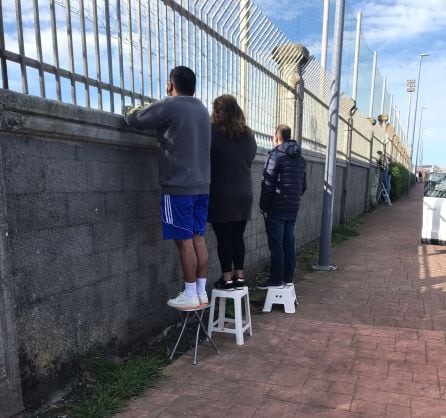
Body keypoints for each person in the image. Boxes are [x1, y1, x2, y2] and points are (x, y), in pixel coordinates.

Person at [124, 66, 211, 310]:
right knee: (198, 238)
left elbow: (136, 118)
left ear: (171, 85)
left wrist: (127, 110)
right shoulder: (203, 110)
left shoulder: (171, 105)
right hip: (202, 186)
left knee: (183, 241)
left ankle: (190, 293)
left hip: (179, 186)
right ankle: (201, 292)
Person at [208, 95, 257, 291]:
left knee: (223, 238)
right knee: (238, 236)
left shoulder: (211, 133)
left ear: (217, 111)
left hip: (220, 193)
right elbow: (251, 157)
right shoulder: (248, 135)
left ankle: (226, 278)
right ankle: (240, 277)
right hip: (243, 193)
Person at [258, 125, 306, 289]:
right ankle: (288, 278)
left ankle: (276, 280)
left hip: (276, 209)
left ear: (277, 137)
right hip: (293, 208)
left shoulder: (275, 156)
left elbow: (267, 184)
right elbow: (303, 186)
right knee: (288, 243)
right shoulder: (301, 158)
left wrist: (263, 207)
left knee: (276, 245)